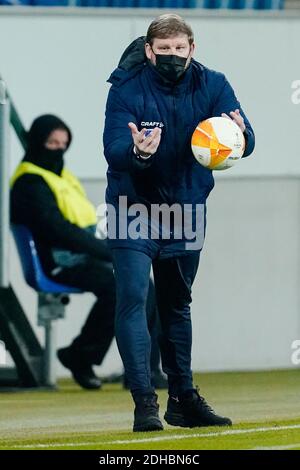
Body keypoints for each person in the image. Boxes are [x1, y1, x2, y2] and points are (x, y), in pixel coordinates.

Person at [103, 13, 255, 432]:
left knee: (176, 305)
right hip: (131, 207)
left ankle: (183, 399)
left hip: (185, 208)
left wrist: (240, 138)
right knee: (133, 299)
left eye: (179, 49)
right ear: (149, 50)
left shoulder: (214, 84)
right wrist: (138, 153)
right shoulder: (126, 88)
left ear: (192, 48)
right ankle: (144, 404)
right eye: (164, 50)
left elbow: (248, 139)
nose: (172, 56)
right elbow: (113, 147)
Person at [10, 114, 167, 391]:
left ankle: (144, 371)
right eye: (52, 142)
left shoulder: (61, 176)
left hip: (85, 254)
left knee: (143, 285)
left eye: (63, 143)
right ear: (37, 142)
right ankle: (81, 355)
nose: (58, 149)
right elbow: (58, 230)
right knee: (120, 288)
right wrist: (110, 252)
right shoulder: (30, 183)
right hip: (60, 260)